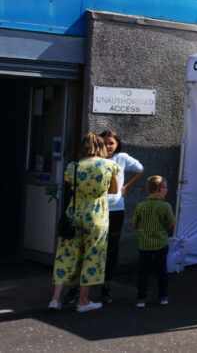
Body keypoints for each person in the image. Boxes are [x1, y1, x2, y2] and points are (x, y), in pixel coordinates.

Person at [48, 133, 120, 312]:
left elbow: (72, 186)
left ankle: (55, 299)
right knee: (92, 257)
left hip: (73, 214)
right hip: (97, 216)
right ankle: (83, 301)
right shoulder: (109, 165)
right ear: (100, 147)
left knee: (66, 255)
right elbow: (114, 190)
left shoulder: (73, 166)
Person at [98, 129, 144, 303]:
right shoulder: (95, 159)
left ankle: (106, 287)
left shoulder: (122, 158)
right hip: (97, 209)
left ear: (117, 145)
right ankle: (79, 288)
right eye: (104, 143)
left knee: (112, 248)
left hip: (116, 209)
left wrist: (126, 187)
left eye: (111, 143)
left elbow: (140, 169)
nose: (108, 146)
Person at [132, 175, 175, 308]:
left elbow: (134, 225)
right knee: (161, 271)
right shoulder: (166, 206)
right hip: (161, 243)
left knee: (143, 272)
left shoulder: (141, 206)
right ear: (160, 189)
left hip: (144, 244)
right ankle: (163, 297)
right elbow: (171, 224)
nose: (167, 190)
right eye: (166, 188)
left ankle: (141, 299)